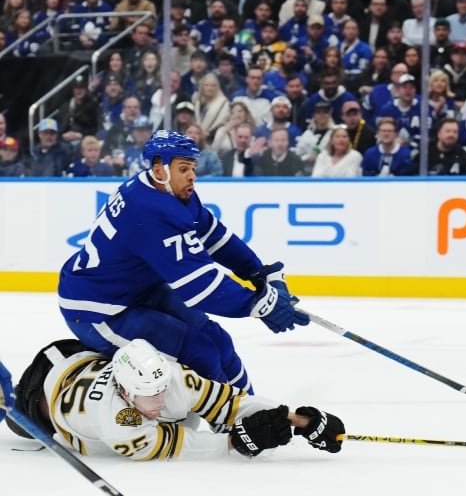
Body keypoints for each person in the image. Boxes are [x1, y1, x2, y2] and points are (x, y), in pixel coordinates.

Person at [57, 129, 309, 394]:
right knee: (201, 353)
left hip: (137, 291)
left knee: (219, 341)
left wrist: (258, 272)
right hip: (98, 311)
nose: (192, 176)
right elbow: (199, 288)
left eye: (192, 168)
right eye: (184, 168)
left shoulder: (168, 191)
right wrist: (259, 304)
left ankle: (253, 411)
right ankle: (236, 424)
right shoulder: (152, 210)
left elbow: (215, 236)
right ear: (159, 168)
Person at [6, 338, 344, 459]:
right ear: (124, 392)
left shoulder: (170, 377)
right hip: (40, 407)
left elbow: (228, 403)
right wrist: (233, 443)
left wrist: (296, 419)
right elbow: (180, 444)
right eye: (149, 395)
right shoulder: (120, 423)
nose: (160, 398)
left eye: (162, 389)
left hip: (73, 356)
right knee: (9, 411)